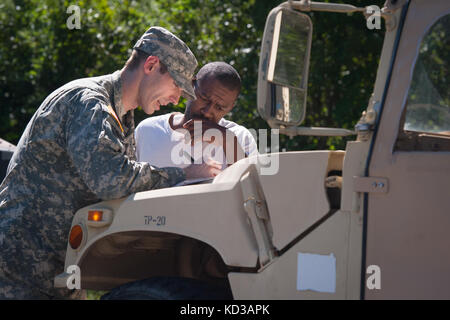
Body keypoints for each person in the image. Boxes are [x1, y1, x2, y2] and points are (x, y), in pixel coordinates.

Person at [0, 26, 219, 299]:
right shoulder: (88, 103)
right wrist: (182, 175)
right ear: (151, 65)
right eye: (176, 85)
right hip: (20, 268)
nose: (176, 99)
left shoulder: (121, 117)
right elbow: (111, 180)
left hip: (57, 270)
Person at [135, 62, 258, 172]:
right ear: (191, 85)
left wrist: (229, 141)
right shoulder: (147, 130)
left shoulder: (240, 137)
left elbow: (253, 189)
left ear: (230, 107)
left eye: (219, 108)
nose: (207, 112)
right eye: (204, 99)